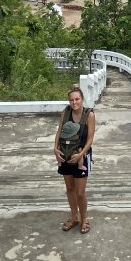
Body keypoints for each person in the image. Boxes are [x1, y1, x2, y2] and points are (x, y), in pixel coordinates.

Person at [54, 85, 95, 234]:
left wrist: (81, 154)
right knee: (70, 188)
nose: (74, 102)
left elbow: (90, 139)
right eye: (71, 100)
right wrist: (55, 149)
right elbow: (59, 130)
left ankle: (84, 219)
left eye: (77, 99)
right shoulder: (66, 112)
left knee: (80, 192)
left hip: (81, 157)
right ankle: (74, 217)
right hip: (65, 154)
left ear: (82, 99)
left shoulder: (89, 115)